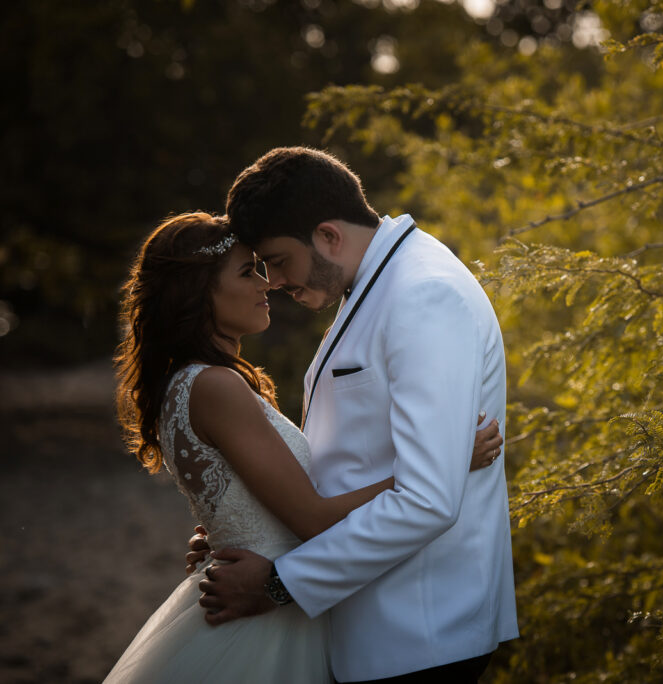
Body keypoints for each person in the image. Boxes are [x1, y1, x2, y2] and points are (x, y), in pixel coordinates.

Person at [106, 212, 502, 683]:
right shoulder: (215, 386)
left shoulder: (195, 383)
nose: (266, 283)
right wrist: (448, 463)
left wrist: (226, 535)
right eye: (247, 271)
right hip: (262, 620)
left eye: (265, 266)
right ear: (198, 293)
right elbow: (312, 518)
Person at [196, 146, 519, 683]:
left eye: (277, 260)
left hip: (418, 631)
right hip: (379, 622)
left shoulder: (424, 293)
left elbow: (427, 500)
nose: (272, 280)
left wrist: (279, 581)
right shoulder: (376, 281)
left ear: (328, 236)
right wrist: (250, 526)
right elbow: (351, 451)